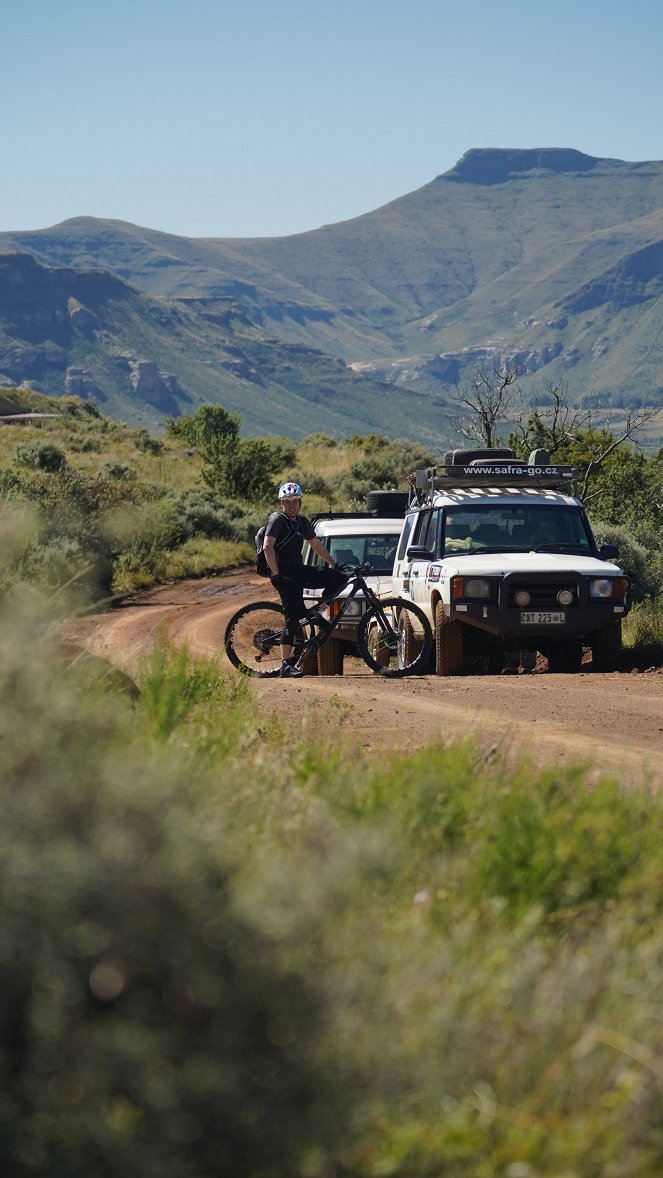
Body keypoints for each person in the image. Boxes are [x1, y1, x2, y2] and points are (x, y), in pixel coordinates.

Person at [263, 482, 348, 678]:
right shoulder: (277, 519)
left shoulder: (301, 521)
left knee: (339, 579)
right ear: (281, 503)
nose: (291, 506)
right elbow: (268, 546)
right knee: (292, 618)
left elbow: (315, 544)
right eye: (287, 502)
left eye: (295, 502)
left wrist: (333, 564)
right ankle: (285, 664)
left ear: (300, 502)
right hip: (284, 573)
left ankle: (316, 614)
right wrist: (276, 575)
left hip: (299, 570)